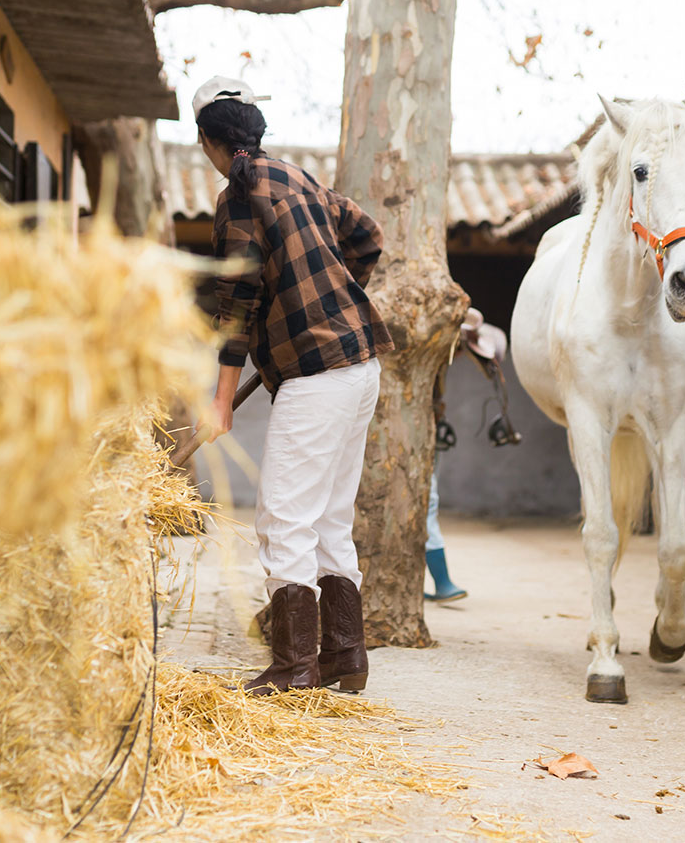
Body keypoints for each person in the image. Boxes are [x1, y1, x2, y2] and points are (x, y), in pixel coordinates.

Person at [197, 75, 393, 696]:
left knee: (282, 518)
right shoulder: (297, 178)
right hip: (360, 364)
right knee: (329, 518)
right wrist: (334, 290)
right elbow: (367, 237)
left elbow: (236, 309)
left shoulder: (238, 199)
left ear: (209, 141)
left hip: (317, 377)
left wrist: (221, 401)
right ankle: (344, 656)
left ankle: (294, 667)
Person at [423, 308, 518, 602]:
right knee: (427, 502)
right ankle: (442, 582)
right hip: (420, 429)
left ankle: (441, 583)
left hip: (427, 427)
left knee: (428, 502)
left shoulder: (433, 358)